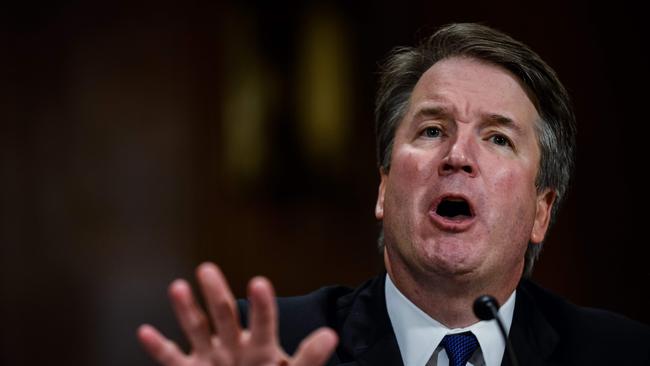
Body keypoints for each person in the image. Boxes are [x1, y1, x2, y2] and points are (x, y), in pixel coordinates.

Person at [137, 23, 650, 366]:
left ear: (541, 211)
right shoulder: (268, 344)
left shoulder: (620, 353)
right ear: (383, 188)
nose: (458, 155)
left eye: (498, 138)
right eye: (431, 130)